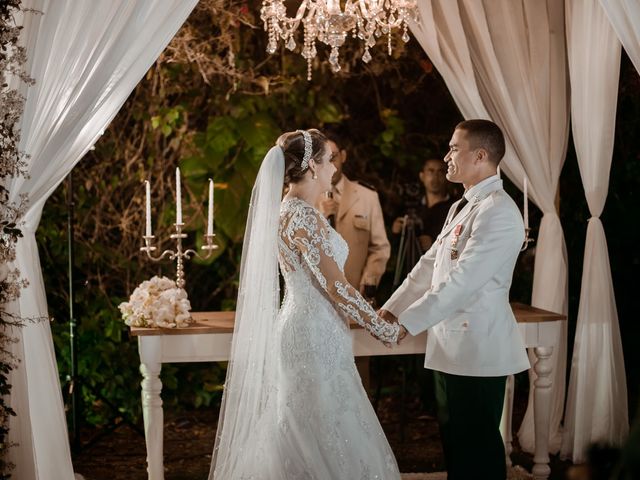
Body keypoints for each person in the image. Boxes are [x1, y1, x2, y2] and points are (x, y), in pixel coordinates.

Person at [209, 129, 403, 480]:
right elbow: (336, 286)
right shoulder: (301, 216)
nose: (334, 167)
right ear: (313, 166)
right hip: (312, 333)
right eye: (329, 160)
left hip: (312, 326)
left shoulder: (293, 211)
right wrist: (380, 327)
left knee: (311, 421)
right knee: (320, 424)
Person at [379, 119, 530, 480]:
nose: (446, 156)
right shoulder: (461, 206)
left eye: (453, 148)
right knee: (456, 449)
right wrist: (391, 308)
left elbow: (462, 282)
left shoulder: (499, 211)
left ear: (480, 155)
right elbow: (428, 265)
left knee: (478, 450)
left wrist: (408, 322)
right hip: (449, 347)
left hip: (477, 350)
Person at [316, 130, 390, 297]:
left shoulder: (367, 196)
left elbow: (380, 247)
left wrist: (370, 278)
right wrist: (320, 215)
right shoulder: (307, 197)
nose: (329, 165)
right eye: (323, 159)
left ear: (343, 156)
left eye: (333, 157)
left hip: (355, 295)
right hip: (318, 296)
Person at [392, 158, 455, 253]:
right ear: (422, 176)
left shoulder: (455, 208)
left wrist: (434, 243)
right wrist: (396, 232)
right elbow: (395, 249)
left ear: (447, 175)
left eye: (440, 172)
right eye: (431, 171)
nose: (435, 177)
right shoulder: (412, 207)